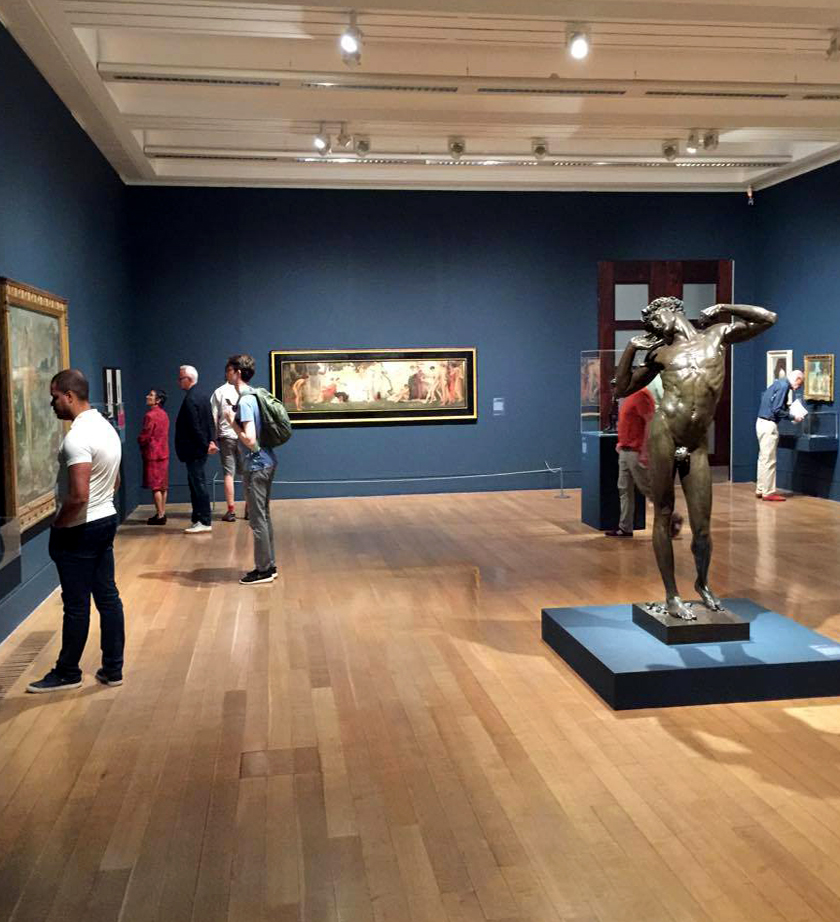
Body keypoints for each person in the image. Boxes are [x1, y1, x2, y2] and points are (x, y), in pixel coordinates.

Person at [615, 297, 775, 621]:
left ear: (673, 310)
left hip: (694, 444)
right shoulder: (660, 353)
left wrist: (724, 308)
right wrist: (631, 348)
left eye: (655, 318)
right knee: (663, 513)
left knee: (702, 527)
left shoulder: (717, 335)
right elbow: (621, 388)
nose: (654, 327)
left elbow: (767, 318)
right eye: (649, 325)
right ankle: (672, 595)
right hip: (665, 435)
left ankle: (702, 583)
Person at [27, 369, 125, 692]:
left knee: (76, 604)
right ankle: (113, 668)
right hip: (106, 519)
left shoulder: (77, 438)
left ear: (69, 396)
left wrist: (59, 523)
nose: (52, 403)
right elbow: (115, 481)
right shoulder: (107, 429)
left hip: (81, 528)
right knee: (108, 597)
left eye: (55, 397)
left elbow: (79, 495)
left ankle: (68, 671)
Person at [222, 354, 278, 585]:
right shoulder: (254, 395)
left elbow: (251, 441)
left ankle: (263, 569)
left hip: (257, 465)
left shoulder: (245, 401)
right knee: (263, 516)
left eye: (229, 370)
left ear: (237, 372)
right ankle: (269, 565)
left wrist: (231, 421)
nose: (226, 373)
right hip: (267, 461)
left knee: (257, 520)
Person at [605, 385, 683, 538]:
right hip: (625, 450)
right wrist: (621, 442)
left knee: (648, 488)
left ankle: (671, 519)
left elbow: (650, 423)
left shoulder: (641, 396)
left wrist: (645, 451)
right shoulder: (629, 396)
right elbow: (629, 423)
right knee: (624, 489)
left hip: (636, 451)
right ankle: (625, 527)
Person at [175, 364, 217, 534]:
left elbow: (195, 427)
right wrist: (211, 441)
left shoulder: (191, 399)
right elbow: (210, 421)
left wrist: (206, 444)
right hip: (199, 449)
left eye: (181, 378)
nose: (178, 382)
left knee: (198, 485)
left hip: (194, 450)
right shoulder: (203, 396)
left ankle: (204, 520)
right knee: (196, 484)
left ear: (189, 379)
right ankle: (198, 518)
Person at [756, 369, 805, 502]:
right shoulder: (784, 387)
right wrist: (793, 417)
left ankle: (761, 488)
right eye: (800, 384)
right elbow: (776, 410)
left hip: (760, 422)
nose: (798, 387)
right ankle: (768, 492)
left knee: (763, 458)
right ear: (797, 379)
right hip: (769, 425)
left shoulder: (777, 384)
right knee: (770, 460)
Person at [211, 363, 242, 522]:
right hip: (243, 436)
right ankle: (249, 510)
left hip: (226, 436)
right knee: (247, 473)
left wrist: (213, 439)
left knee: (229, 473)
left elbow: (213, 417)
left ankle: (231, 511)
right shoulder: (247, 391)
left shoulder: (219, 392)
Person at [138, 388, 170, 524]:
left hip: (153, 454)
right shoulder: (164, 414)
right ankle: (162, 512)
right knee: (163, 485)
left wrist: (140, 440)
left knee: (156, 486)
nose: (147, 396)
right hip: (164, 452)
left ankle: (160, 515)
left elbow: (146, 435)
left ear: (158, 400)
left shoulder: (150, 416)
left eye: (151, 395)